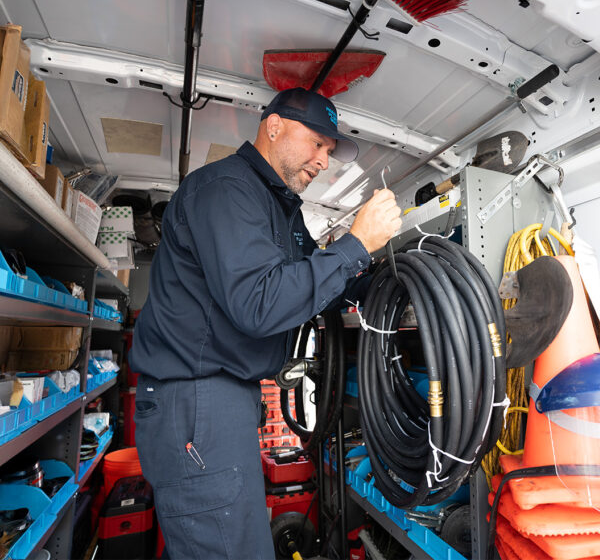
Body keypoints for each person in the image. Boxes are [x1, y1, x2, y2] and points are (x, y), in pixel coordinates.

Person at [128, 87, 402, 559]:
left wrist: (386, 281)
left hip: (220, 400)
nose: (323, 160)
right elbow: (259, 304)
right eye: (316, 143)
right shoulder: (226, 190)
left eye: (330, 152)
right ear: (273, 127)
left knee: (241, 544)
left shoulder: (278, 207)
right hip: (196, 399)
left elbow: (317, 281)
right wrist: (356, 243)